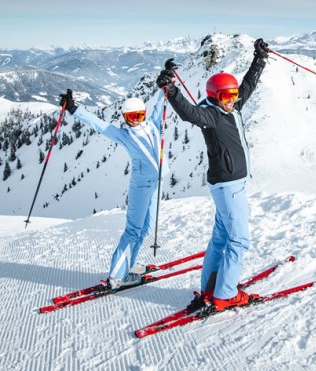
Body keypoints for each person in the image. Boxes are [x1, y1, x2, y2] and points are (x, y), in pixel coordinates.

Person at [156, 38, 269, 311]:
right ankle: (225, 294)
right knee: (239, 240)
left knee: (220, 238)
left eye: (233, 95)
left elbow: (248, 87)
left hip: (230, 185)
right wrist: (171, 90)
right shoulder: (211, 116)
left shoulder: (233, 107)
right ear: (214, 96)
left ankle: (211, 286)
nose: (231, 100)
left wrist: (259, 60)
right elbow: (189, 113)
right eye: (225, 96)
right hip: (229, 187)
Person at [59, 90, 168, 289]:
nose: (135, 121)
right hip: (141, 186)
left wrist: (165, 84)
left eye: (139, 116)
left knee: (145, 229)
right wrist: (75, 110)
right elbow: (99, 125)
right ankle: (117, 277)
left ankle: (128, 266)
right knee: (133, 230)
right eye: (131, 117)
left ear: (144, 114)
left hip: (156, 184)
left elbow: (161, 102)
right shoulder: (124, 135)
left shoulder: (153, 124)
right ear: (125, 118)